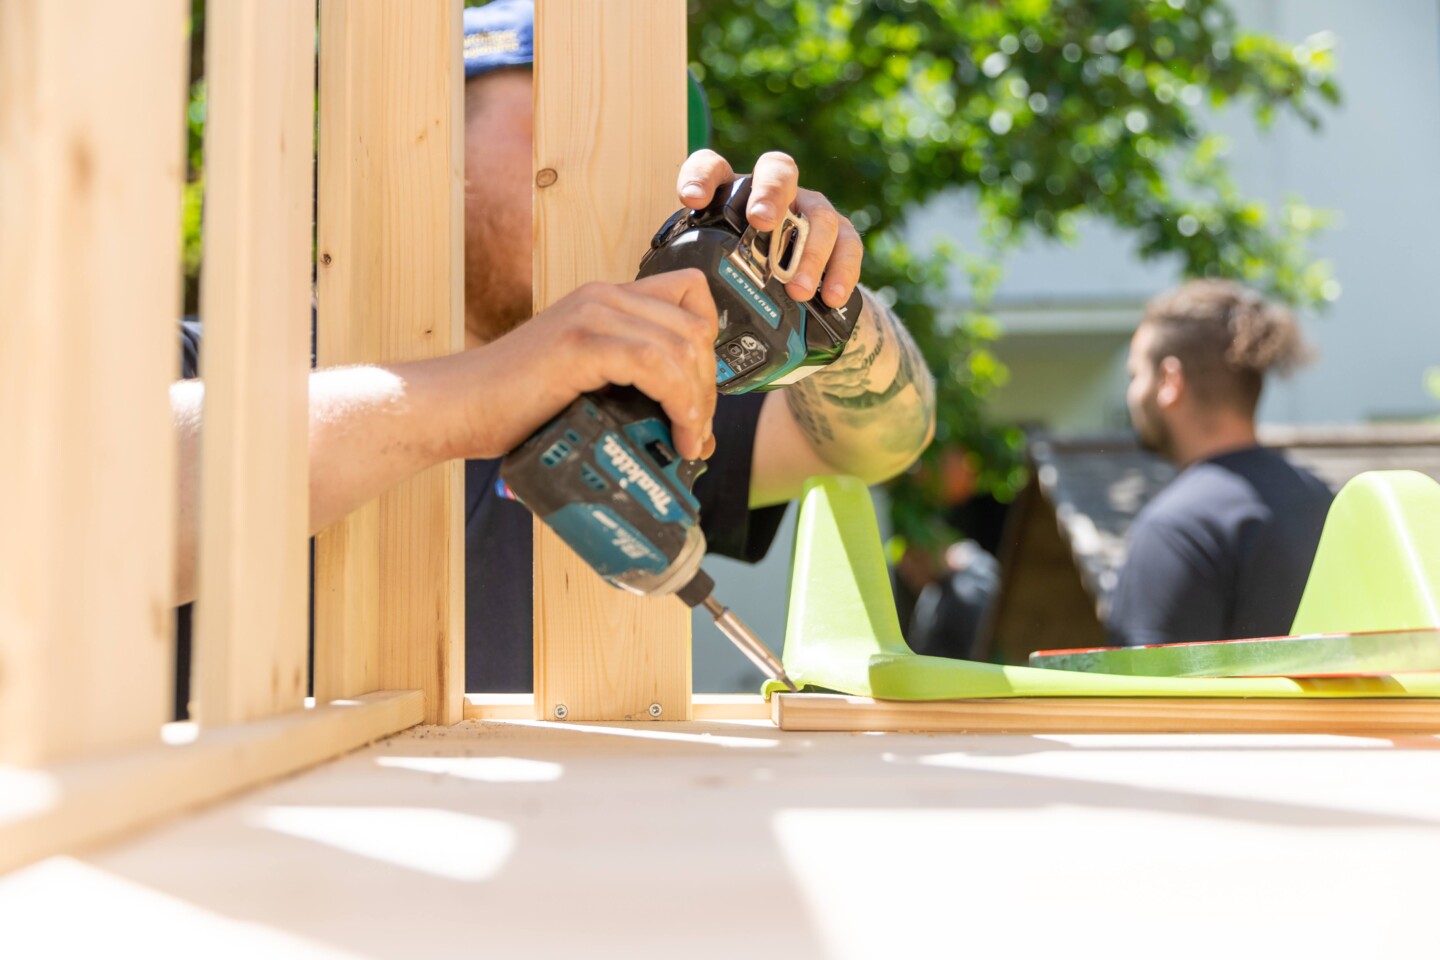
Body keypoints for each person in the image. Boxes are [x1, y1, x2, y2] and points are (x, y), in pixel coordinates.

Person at [171, 0, 935, 702]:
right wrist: (475, 396)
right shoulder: (201, 367)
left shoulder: (646, 398)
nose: (610, 188)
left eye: (649, 166)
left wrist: (826, 317)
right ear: (424, 133)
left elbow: (882, 442)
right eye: (569, 136)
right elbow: (111, 497)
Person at [1105, 279, 1332, 647]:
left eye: (1136, 375)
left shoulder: (1177, 529)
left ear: (1170, 381)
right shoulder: (1322, 501)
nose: (1132, 393)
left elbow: (1142, 683)